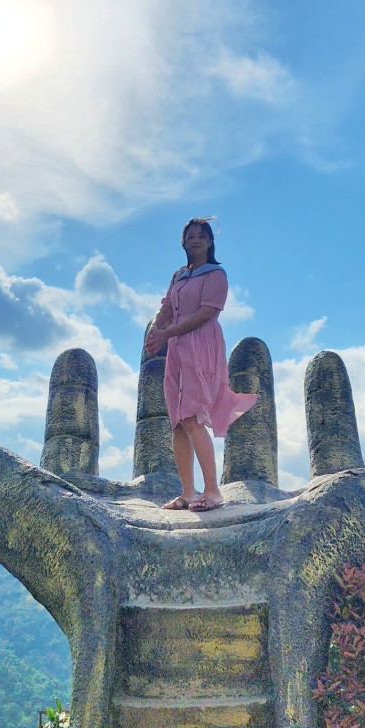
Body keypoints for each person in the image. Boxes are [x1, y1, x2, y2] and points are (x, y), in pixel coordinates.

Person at [144, 219, 257, 511]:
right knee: (179, 424)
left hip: (200, 346)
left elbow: (207, 313)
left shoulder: (216, 275)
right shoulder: (179, 276)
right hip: (177, 351)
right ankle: (187, 493)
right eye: (190, 236)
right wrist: (158, 330)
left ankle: (213, 492)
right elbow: (167, 308)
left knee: (192, 416)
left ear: (209, 242)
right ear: (183, 243)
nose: (195, 240)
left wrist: (168, 333)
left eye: (200, 236)